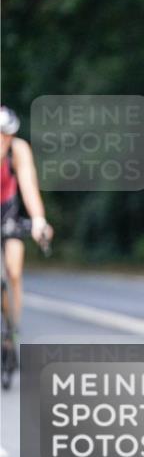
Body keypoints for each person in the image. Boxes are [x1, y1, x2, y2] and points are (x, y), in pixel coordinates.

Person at [1, 106, 53, 342]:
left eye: (7, 135)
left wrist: (39, 221)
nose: (3, 141)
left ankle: (13, 328)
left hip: (7, 213)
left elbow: (29, 186)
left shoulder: (18, 150)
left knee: (13, 270)